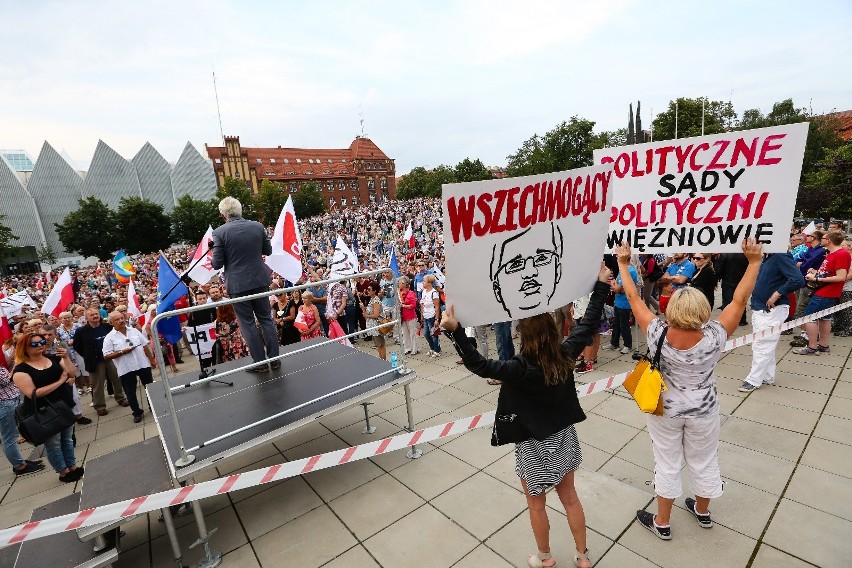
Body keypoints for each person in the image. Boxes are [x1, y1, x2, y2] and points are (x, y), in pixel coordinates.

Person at [439, 264, 612, 568]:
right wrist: (599, 286)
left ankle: (544, 558)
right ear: (553, 332)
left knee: (536, 503)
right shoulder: (566, 352)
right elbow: (588, 323)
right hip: (562, 436)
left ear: (522, 335)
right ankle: (583, 557)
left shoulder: (517, 369)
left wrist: (456, 334)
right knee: (570, 497)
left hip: (531, 443)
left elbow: (480, 365)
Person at [614, 238, 763, 541]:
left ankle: (663, 521)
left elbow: (634, 299)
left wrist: (623, 263)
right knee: (705, 459)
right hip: (704, 410)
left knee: (666, 462)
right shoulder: (715, 336)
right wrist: (755, 263)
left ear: (672, 308)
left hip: (665, 408)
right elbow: (738, 301)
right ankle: (703, 511)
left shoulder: (657, 332)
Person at [211, 196, 281, 373]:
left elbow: (217, 264)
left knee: (247, 324)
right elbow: (268, 251)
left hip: (238, 285)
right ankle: (275, 360)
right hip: (259, 280)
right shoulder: (257, 226)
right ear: (240, 210)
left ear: (223, 214)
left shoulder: (219, 233)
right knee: (266, 319)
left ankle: (260, 363)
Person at [12, 332, 83, 483]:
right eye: (34, 344)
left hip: (64, 405)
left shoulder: (54, 358)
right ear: (25, 347)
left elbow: (71, 373)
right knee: (54, 444)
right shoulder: (21, 370)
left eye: (42, 342)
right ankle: (63, 472)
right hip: (45, 412)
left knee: (68, 439)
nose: (40, 345)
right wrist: (60, 381)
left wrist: (65, 357)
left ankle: (73, 466)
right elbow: (33, 394)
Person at [739, 253, 804, 392]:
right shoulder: (768, 257)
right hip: (762, 308)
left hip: (770, 310)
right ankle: (767, 375)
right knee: (767, 343)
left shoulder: (780, 255)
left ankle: (753, 379)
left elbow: (798, 279)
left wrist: (778, 293)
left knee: (762, 344)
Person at [795, 230, 852, 355]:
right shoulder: (833, 253)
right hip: (825, 290)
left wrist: (816, 279)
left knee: (809, 318)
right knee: (825, 318)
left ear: (829, 240)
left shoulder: (841, 254)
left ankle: (812, 347)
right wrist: (816, 271)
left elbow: (841, 276)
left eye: (824, 238)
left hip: (826, 292)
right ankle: (823, 345)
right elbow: (830, 271)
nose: (821, 239)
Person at [102, 311, 158, 423]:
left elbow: (144, 345)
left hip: (142, 364)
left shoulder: (133, 331)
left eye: (121, 318)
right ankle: (137, 412)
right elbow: (106, 355)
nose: (121, 321)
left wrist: (151, 360)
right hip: (126, 368)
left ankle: (154, 408)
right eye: (117, 320)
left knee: (149, 387)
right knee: (130, 392)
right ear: (111, 323)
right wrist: (122, 352)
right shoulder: (109, 338)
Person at [73, 308, 128, 416]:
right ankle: (100, 406)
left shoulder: (107, 327)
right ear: (87, 318)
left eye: (96, 314)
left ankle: (120, 398)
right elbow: (77, 346)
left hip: (110, 358)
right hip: (95, 361)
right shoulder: (81, 331)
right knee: (97, 384)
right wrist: (88, 355)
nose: (95, 316)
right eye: (92, 315)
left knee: (117, 379)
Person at [0, 365, 46, 475]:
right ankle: (19, 466)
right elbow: (6, 380)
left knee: (11, 435)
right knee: (9, 436)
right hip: (5, 403)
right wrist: (16, 365)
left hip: (8, 401)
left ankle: (19, 461)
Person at [831, 236, 852, 336]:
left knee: (846, 310)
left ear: (850, 247)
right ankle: (838, 326)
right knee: (837, 309)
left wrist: (839, 280)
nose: (840, 247)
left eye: (842, 245)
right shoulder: (843, 256)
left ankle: (848, 329)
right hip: (839, 287)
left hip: (847, 288)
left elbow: (850, 274)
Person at [361, 283, 387, 361]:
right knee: (378, 345)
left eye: (369, 289)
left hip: (377, 326)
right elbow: (370, 312)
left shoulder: (375, 300)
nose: (367, 291)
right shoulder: (372, 300)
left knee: (380, 344)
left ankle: (384, 361)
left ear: (374, 291)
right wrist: (363, 308)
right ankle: (381, 359)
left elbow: (376, 315)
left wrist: (367, 315)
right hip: (373, 326)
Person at [420, 274, 442, 358]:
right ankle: (432, 348)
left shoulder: (434, 293)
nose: (423, 282)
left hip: (432, 315)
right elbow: (422, 303)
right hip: (425, 315)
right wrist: (422, 315)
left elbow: (437, 307)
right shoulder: (424, 291)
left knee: (434, 334)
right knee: (426, 334)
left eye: (424, 281)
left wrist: (437, 319)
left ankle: (436, 350)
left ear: (429, 283)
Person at [397, 276, 419, 355]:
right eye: (399, 283)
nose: (399, 284)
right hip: (402, 316)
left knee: (413, 333)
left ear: (406, 284)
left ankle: (415, 348)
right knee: (405, 333)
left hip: (410, 315)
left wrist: (403, 306)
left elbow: (413, 305)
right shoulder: (398, 293)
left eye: (401, 283)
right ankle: (407, 348)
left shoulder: (411, 293)